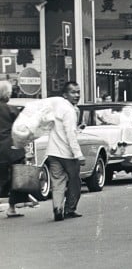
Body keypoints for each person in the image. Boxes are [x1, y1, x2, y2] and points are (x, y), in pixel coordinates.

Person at [47, 82, 85, 221]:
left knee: (57, 182)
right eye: (73, 92)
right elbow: (70, 134)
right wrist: (78, 154)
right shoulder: (69, 111)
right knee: (75, 182)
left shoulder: (56, 108)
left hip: (53, 151)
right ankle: (70, 209)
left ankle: (58, 208)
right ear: (65, 94)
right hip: (67, 153)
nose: (77, 95)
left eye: (78, 92)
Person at [0, 80, 35, 218]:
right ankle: (12, 208)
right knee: (16, 178)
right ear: (6, 94)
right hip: (12, 149)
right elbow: (21, 130)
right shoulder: (12, 110)